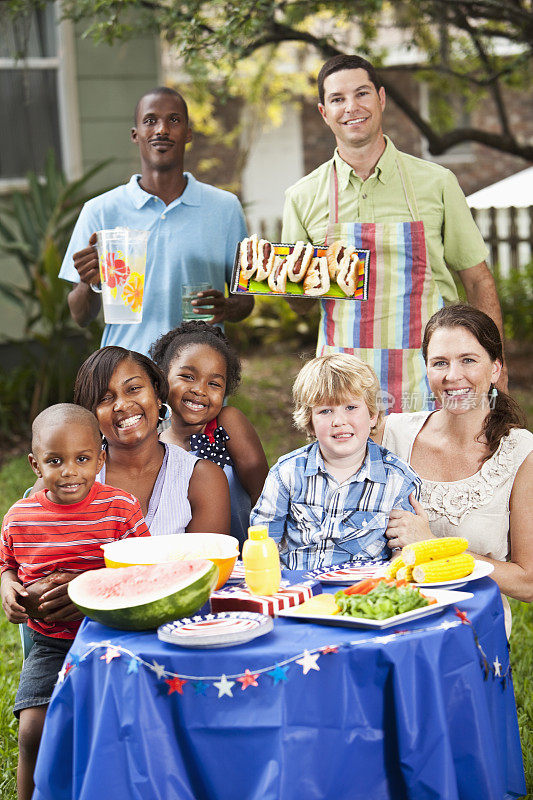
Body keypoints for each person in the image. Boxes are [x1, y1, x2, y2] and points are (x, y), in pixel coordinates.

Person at [281, 54, 506, 412]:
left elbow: (478, 281)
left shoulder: (436, 183)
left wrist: (499, 368)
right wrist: (285, 280)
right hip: (344, 389)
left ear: (381, 99)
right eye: (338, 99)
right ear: (324, 113)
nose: (351, 107)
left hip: (433, 377)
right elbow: (300, 306)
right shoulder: (302, 196)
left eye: (362, 94)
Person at [0, 404, 150, 800]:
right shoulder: (19, 517)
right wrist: (8, 588)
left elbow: (144, 569)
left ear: (100, 458)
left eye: (82, 459)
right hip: (50, 641)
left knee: (118, 722)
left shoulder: (120, 509)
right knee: (33, 726)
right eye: (55, 461)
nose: (69, 471)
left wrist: (89, 585)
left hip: (111, 634)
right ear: (35, 464)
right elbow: (7, 564)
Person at [373, 305, 533, 634]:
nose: (452, 376)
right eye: (440, 363)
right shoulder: (391, 434)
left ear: (495, 369)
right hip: (390, 618)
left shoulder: (521, 453)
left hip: (471, 628)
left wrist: (430, 544)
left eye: (468, 360)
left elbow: (527, 582)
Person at [59, 86, 253, 356]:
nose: (162, 129)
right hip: (127, 373)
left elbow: (245, 301)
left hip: (198, 372)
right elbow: (80, 315)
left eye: (174, 120)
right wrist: (91, 283)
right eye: (150, 120)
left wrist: (227, 308)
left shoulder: (225, 208)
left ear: (188, 133)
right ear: (135, 135)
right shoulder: (100, 211)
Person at [250, 353, 420, 569]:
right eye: (326, 411)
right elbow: (264, 543)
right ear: (310, 423)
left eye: (351, 407)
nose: (339, 421)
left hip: (363, 591)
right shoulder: (287, 473)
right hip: (297, 588)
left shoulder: (398, 479)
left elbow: (403, 553)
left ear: (372, 415)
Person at [70, 346, 231, 537]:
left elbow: (210, 565)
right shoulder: (70, 475)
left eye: (133, 389)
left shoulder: (201, 478)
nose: (121, 405)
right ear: (92, 414)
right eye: (105, 398)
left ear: (156, 392)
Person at [150, 321, 269, 548]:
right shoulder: (157, 446)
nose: (200, 390)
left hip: (246, 559)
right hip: (191, 562)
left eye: (214, 383)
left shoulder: (227, 423)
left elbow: (263, 496)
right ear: (163, 378)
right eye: (187, 377)